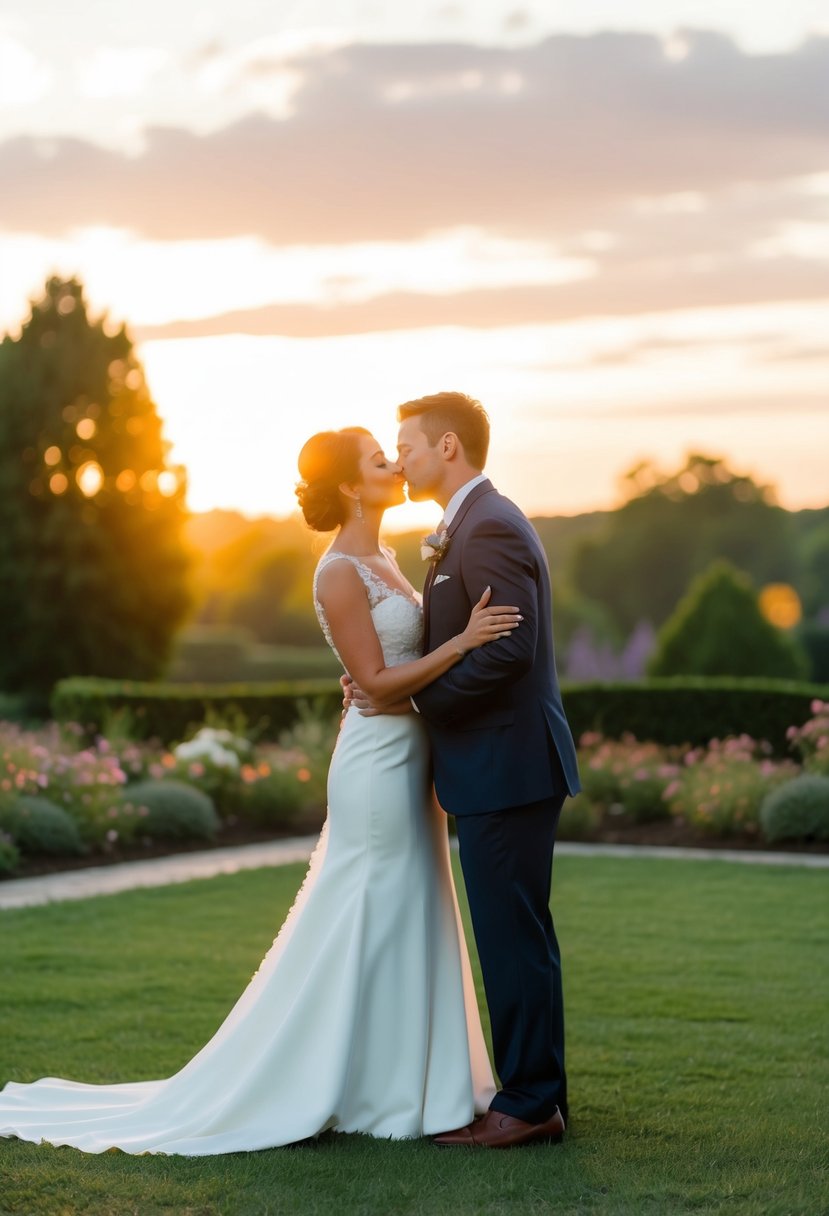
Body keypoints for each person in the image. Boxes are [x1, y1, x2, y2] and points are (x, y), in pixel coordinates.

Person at [0, 425, 521, 1156]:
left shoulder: (389, 557)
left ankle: (414, 1083)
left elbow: (385, 674)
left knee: (414, 905)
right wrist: (460, 644)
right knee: (371, 908)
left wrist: (432, 663)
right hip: (376, 764)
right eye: (378, 459)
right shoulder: (338, 569)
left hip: (413, 758)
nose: (393, 465)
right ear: (348, 485)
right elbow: (372, 683)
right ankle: (347, 1083)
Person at [348, 392, 581, 1149]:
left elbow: (509, 648)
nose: (400, 457)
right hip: (499, 763)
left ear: (447, 447)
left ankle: (527, 1104)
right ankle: (536, 1094)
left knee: (512, 938)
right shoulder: (468, 526)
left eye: (406, 445)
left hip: (505, 761)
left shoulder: (490, 526)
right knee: (518, 934)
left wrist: (419, 702)